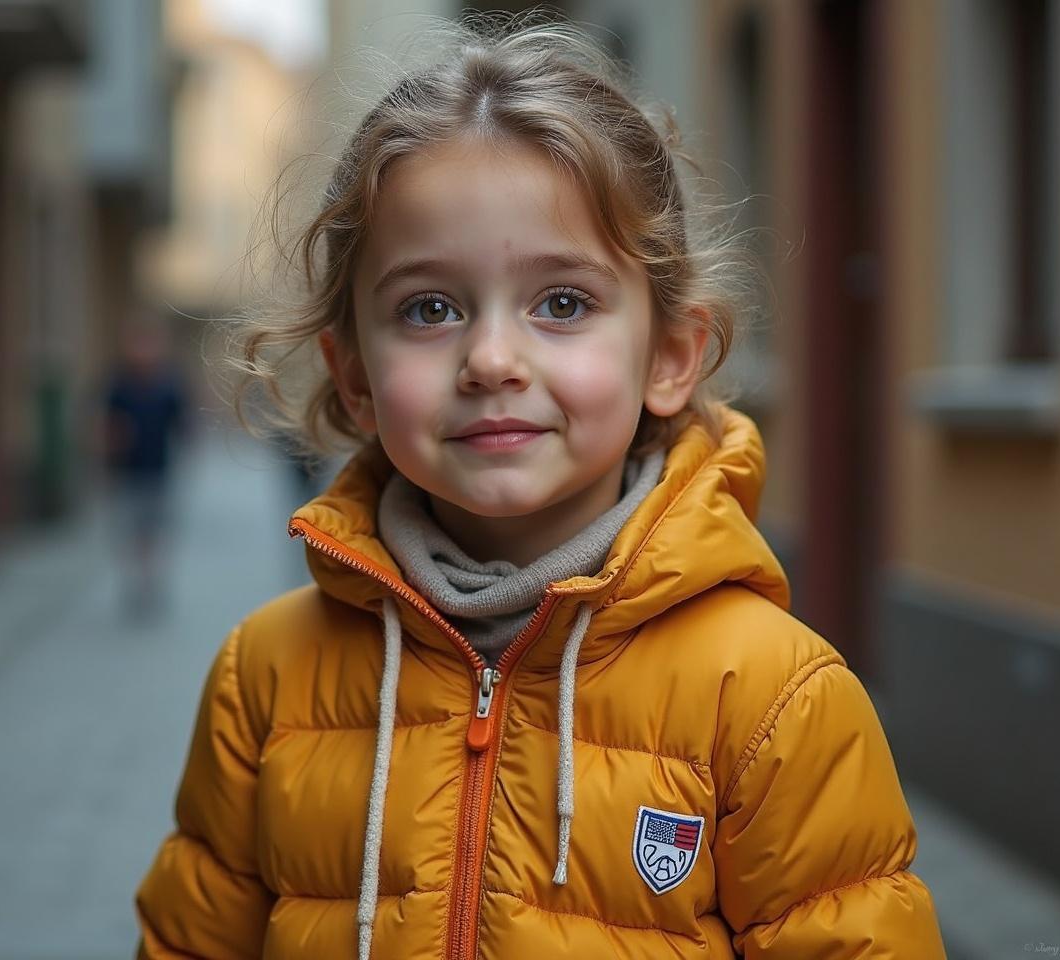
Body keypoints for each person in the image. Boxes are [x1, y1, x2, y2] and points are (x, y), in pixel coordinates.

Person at [135, 15, 947, 959]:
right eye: (428, 308)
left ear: (671, 356)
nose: (490, 358)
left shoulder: (772, 699)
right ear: (353, 375)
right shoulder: (263, 681)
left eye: (562, 303)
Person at [103, 323, 187, 620]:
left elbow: (182, 424)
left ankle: (151, 582)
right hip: (126, 471)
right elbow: (106, 424)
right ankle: (136, 584)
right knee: (130, 530)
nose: (142, 352)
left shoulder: (167, 385)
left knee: (154, 531)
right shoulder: (119, 385)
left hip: (158, 469)